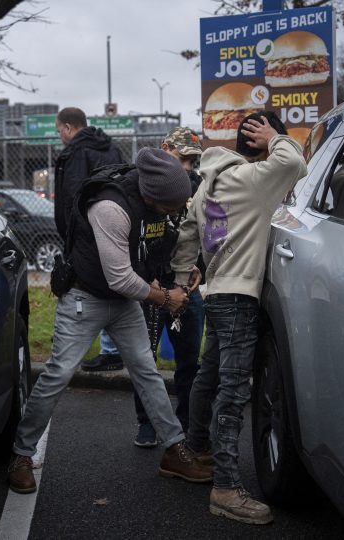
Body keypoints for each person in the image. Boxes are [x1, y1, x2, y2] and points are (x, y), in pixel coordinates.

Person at [8, 148, 212, 494]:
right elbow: (119, 277)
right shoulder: (110, 208)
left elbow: (155, 247)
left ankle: (173, 450)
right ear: (152, 196)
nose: (176, 212)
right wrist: (165, 298)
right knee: (57, 373)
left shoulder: (155, 205)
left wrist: (183, 270)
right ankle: (21, 455)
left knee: (146, 371)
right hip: (84, 298)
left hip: (124, 302)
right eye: (172, 206)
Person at [170, 111, 307, 525]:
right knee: (233, 391)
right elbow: (294, 163)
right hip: (240, 295)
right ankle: (226, 487)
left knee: (208, 375)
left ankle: (195, 451)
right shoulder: (255, 179)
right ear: (261, 141)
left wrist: (182, 279)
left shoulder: (207, 183)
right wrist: (278, 137)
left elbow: (186, 240)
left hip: (216, 293)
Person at [131, 127, 206, 447]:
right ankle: (146, 422)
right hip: (152, 284)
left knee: (189, 358)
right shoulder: (144, 184)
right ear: (165, 149)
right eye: (183, 158)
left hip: (185, 284)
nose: (187, 167)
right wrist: (149, 280)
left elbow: (208, 232)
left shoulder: (200, 186)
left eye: (193, 161)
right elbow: (135, 238)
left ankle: (187, 421)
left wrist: (199, 268)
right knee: (144, 359)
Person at [54, 107, 126, 372]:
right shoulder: (110, 147)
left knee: (83, 288)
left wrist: (71, 233)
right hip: (115, 225)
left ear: (70, 127)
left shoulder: (75, 153)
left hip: (84, 233)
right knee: (112, 284)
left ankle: (96, 348)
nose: (60, 135)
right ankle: (113, 348)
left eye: (59, 129)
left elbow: (72, 196)